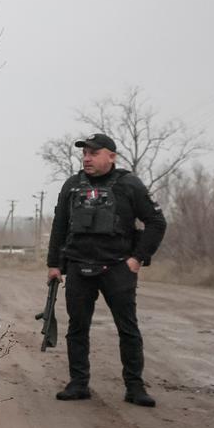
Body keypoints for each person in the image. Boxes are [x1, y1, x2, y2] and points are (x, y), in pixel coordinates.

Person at [46, 132, 166, 407]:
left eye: (93, 153)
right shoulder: (72, 185)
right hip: (78, 266)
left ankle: (135, 388)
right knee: (77, 328)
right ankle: (78, 384)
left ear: (111, 156)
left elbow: (156, 222)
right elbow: (60, 225)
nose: (87, 158)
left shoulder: (129, 185)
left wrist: (137, 259)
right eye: (84, 153)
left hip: (117, 268)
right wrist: (54, 265)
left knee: (128, 329)